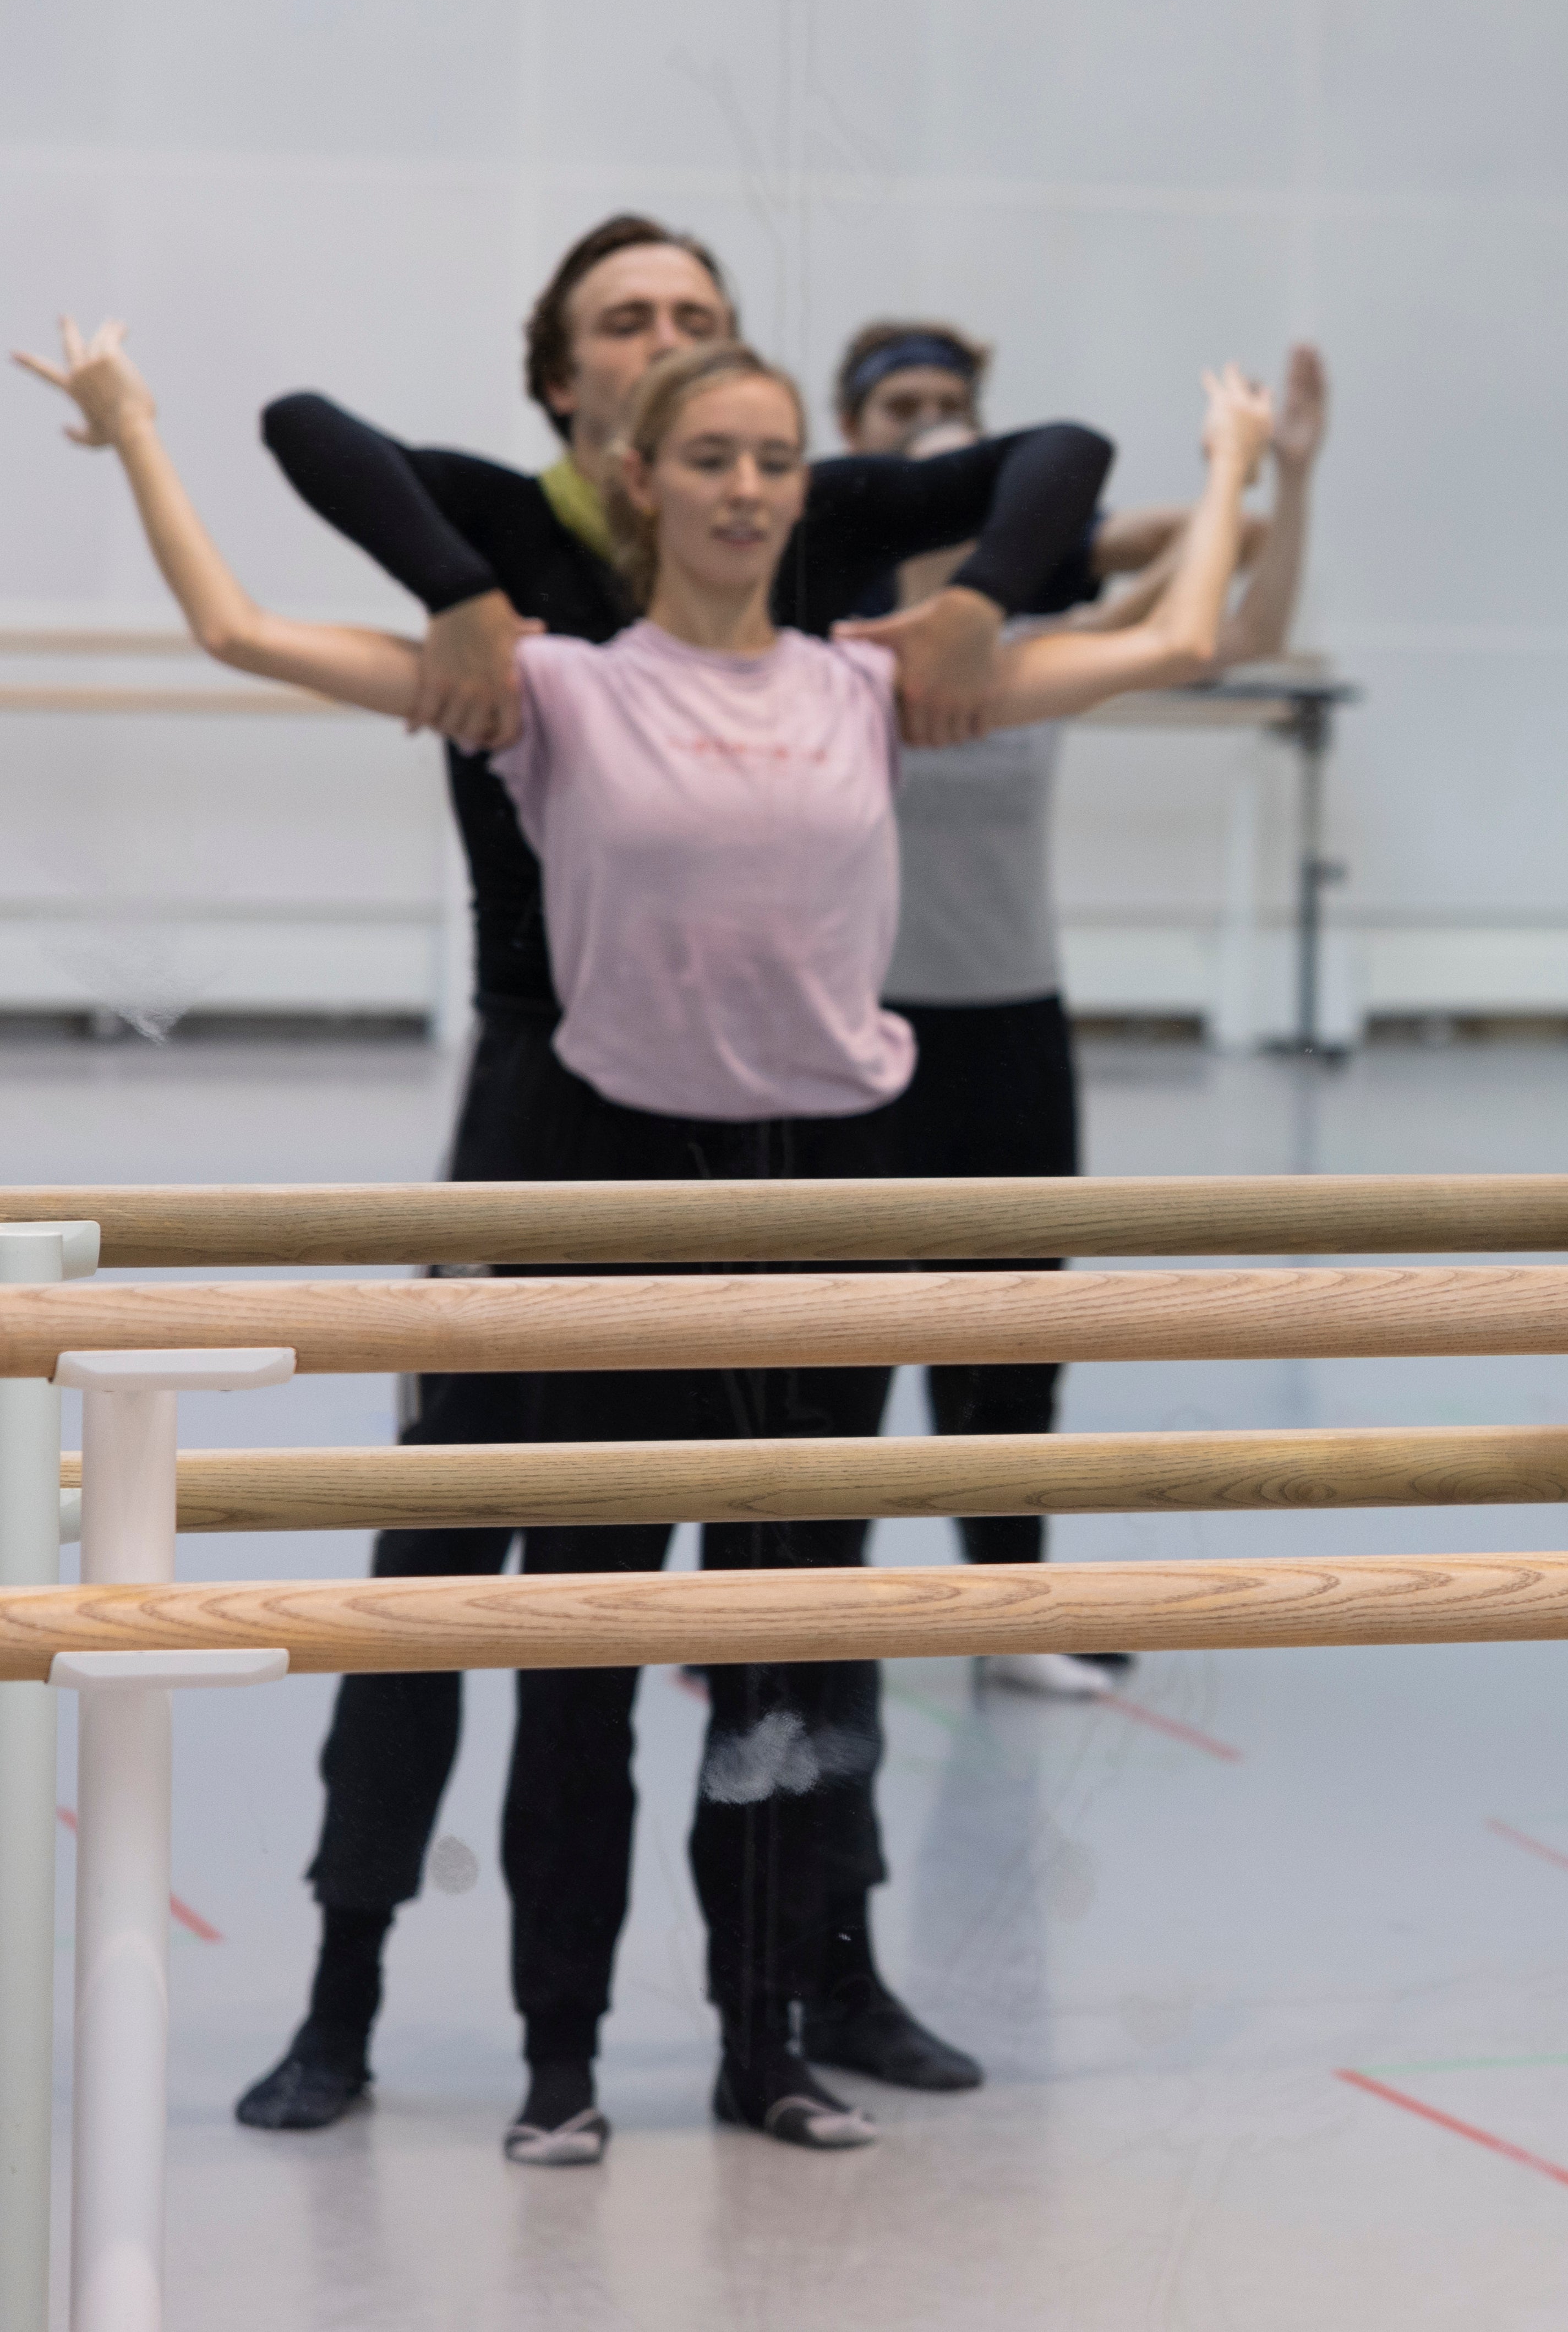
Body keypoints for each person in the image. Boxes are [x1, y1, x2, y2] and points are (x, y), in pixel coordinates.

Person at [19, 317, 1272, 2159]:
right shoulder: (559, 691)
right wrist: (133, 425)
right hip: (614, 1193)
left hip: (834, 1199)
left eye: (776, 459)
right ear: (642, 485)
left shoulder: (872, 683)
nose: (752, 489)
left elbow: (1179, 637)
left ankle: (767, 2035)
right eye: (712, 459)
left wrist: (1237, 457)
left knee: (779, 1647)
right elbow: (238, 630)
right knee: (588, 1645)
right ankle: (559, 2057)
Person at [216, 215, 1116, 2149]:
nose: (670, 346)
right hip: (547, 1101)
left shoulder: (792, 501)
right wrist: (460, 594)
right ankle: (342, 1985)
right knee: (454, 1549)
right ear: (564, 382)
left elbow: (1064, 460)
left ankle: (825, 1971)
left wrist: (983, 604)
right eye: (626, 324)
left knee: (805, 1565)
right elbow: (298, 418)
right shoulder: (508, 527)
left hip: (773, 1122)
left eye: (700, 320)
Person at [832, 326, 1328, 1701]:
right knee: (834, 1337)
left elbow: (1238, 619)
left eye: (956, 419)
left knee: (1012, 1334)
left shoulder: (1043, 634)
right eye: (903, 418)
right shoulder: (829, 637)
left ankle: (1012, 1605)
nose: (933, 435)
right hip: (852, 1027)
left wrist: (1282, 472)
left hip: (1006, 1023)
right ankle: (788, 1609)